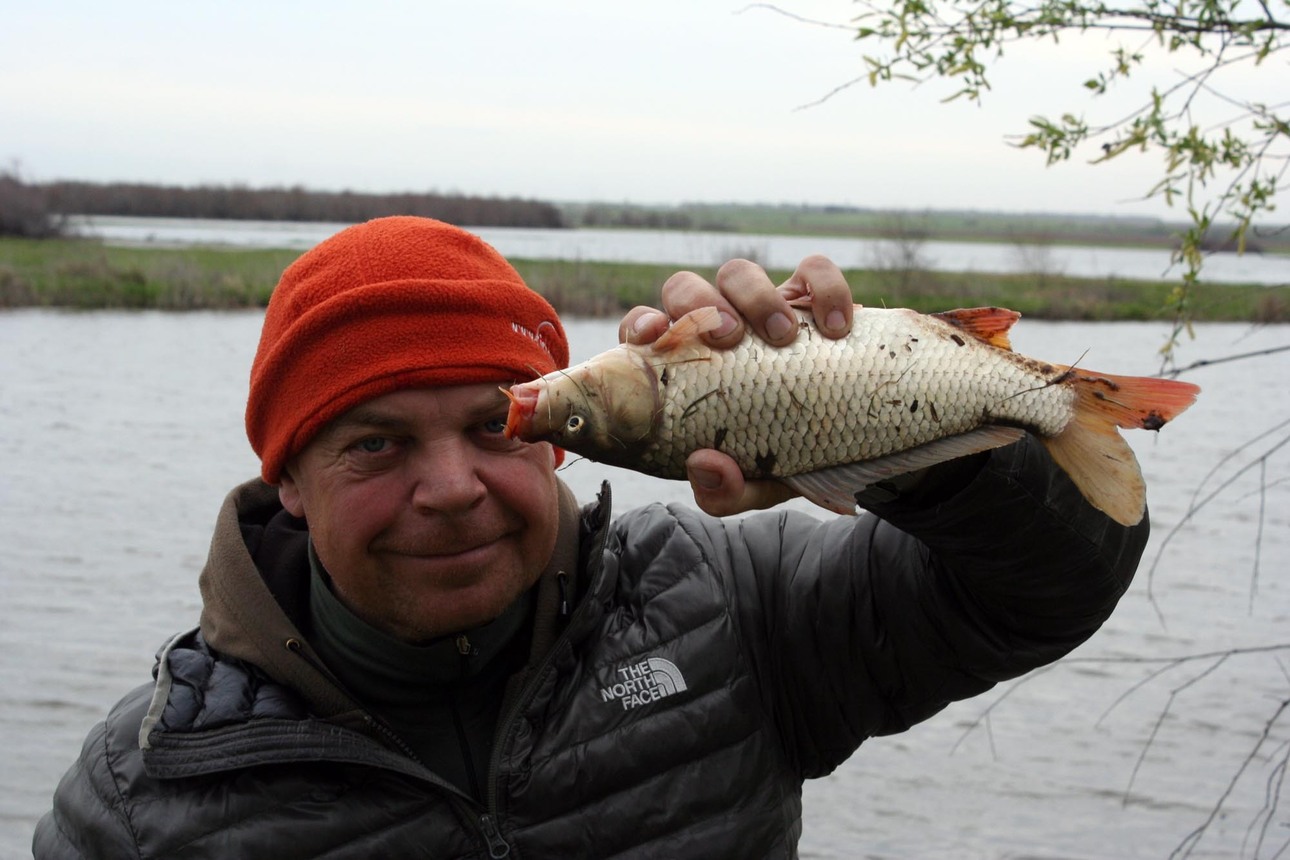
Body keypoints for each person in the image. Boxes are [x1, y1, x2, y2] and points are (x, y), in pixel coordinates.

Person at [33, 216, 1147, 859]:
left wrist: (890, 413)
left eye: (494, 423)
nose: (454, 487)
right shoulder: (140, 799)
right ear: (290, 482)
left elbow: (1037, 592)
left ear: (559, 435)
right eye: (374, 445)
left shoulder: (734, 608)